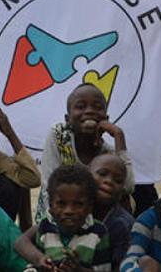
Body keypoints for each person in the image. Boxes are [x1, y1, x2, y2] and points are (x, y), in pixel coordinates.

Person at [36, 84, 133, 222]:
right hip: (58, 213)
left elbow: (128, 186)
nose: (89, 111)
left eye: (98, 107)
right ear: (67, 118)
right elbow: (48, 186)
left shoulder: (108, 153)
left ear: (106, 117)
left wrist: (119, 135)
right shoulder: (59, 136)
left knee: (125, 200)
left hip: (92, 216)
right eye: (81, 106)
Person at [15, 164, 112, 271]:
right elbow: (21, 244)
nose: (68, 211)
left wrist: (78, 269)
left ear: (90, 207)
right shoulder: (45, 227)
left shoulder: (98, 233)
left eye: (78, 204)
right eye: (61, 204)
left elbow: (104, 269)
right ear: (51, 206)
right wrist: (42, 261)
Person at [89, 154, 134, 269]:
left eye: (118, 180)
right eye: (102, 174)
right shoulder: (72, 208)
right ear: (86, 174)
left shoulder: (123, 225)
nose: (109, 181)